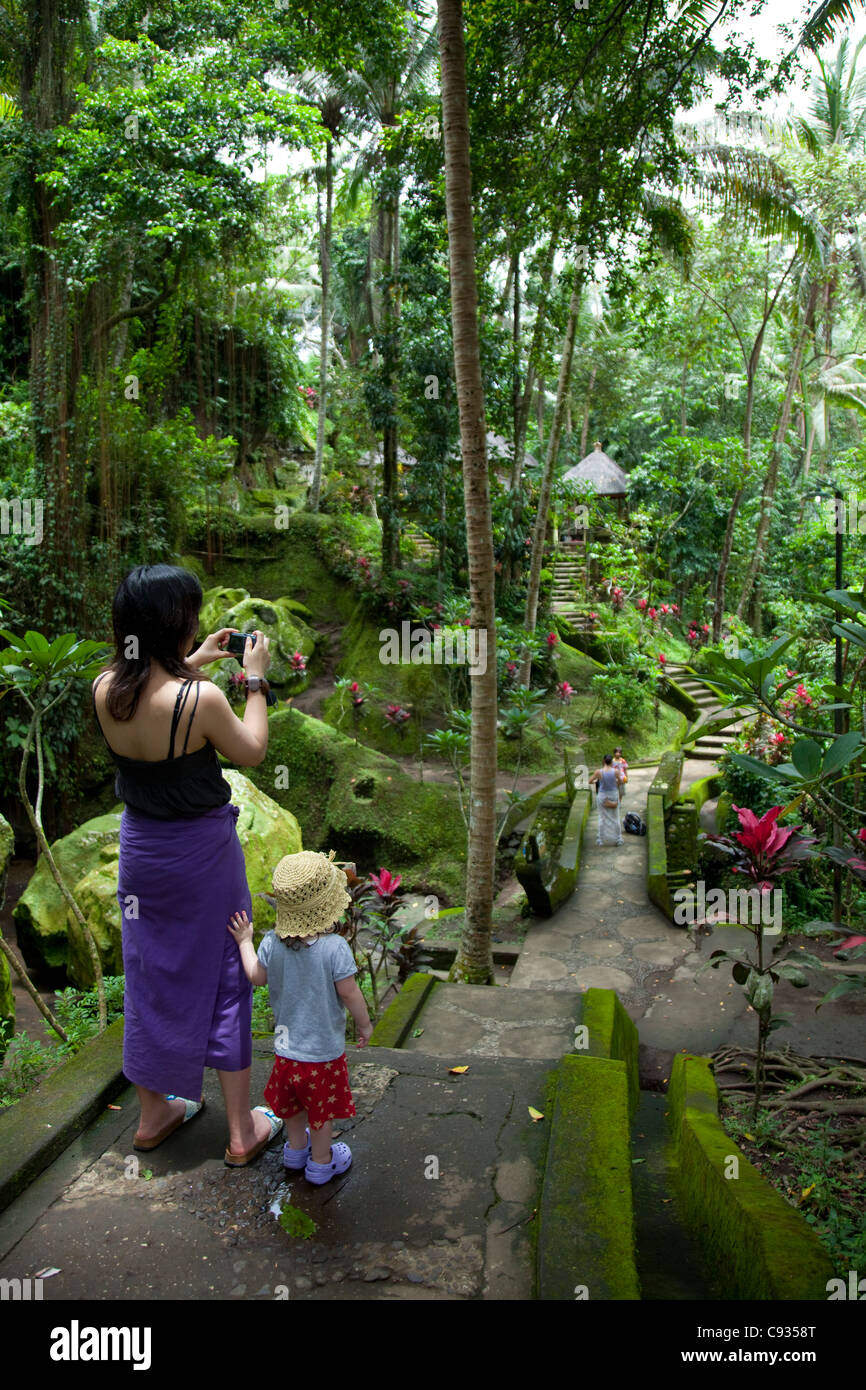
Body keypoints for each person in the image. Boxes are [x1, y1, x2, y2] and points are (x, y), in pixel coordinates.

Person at [92, 563, 283, 1165]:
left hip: (141, 857)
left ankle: (153, 1115)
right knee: (229, 969)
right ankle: (240, 1131)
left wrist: (192, 659)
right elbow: (251, 750)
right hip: (201, 857)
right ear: (177, 622)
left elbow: (150, 694)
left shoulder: (105, 689)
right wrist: (254, 681)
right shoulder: (199, 699)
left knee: (148, 970)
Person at [228, 850, 373, 1185]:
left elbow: (256, 976)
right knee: (321, 1114)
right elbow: (350, 993)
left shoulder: (271, 944)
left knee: (293, 1108)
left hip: (286, 1052)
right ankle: (322, 1163)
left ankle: (294, 1153)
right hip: (322, 1055)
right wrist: (364, 1025)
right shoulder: (335, 948)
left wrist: (244, 941)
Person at [590, 754, 624, 846]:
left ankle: (600, 839)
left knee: (602, 817)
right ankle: (619, 839)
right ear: (611, 762)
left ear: (603, 761)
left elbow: (589, 781)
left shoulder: (598, 772)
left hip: (602, 795)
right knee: (615, 817)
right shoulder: (616, 771)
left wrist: (597, 782)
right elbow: (620, 782)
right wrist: (614, 783)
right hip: (613, 794)